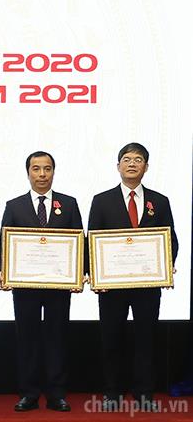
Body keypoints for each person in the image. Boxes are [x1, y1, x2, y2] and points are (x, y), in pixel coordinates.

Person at [88, 142, 178, 412]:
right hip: (111, 286)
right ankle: (112, 393)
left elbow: (170, 239)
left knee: (146, 339)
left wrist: (166, 264)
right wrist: (95, 273)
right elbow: (91, 240)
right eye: (126, 159)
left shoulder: (159, 201)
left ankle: (144, 393)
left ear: (146, 167)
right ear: (118, 166)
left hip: (147, 285)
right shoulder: (101, 200)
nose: (132, 164)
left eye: (138, 160)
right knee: (111, 338)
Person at [0, 151, 83, 412]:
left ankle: (57, 394)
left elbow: (80, 240)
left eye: (47, 168)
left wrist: (81, 271)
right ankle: (29, 394)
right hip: (25, 286)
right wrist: (3, 270)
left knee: (57, 338)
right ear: (28, 173)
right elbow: (3, 244)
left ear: (53, 171)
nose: (42, 174)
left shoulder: (69, 204)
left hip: (59, 285)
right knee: (27, 340)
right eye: (36, 169)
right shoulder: (15, 205)